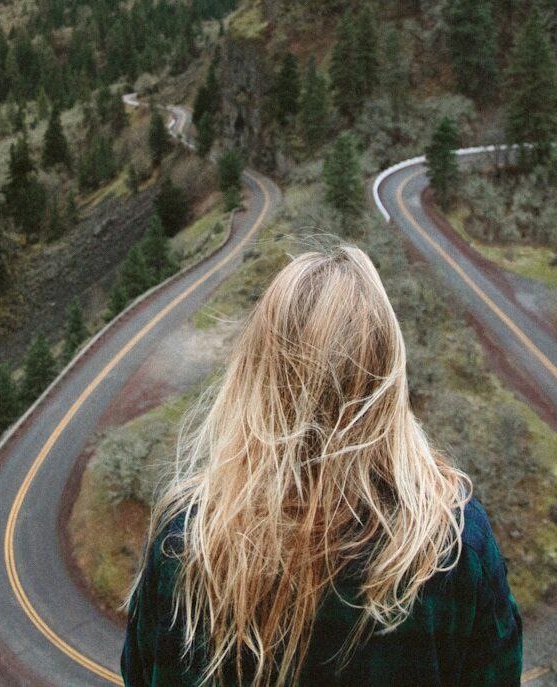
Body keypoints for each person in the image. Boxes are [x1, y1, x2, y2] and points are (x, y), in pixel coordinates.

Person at [122, 245, 522, 686]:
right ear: (388, 380)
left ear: (256, 376)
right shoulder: (453, 545)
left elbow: (142, 673)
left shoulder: (187, 540)